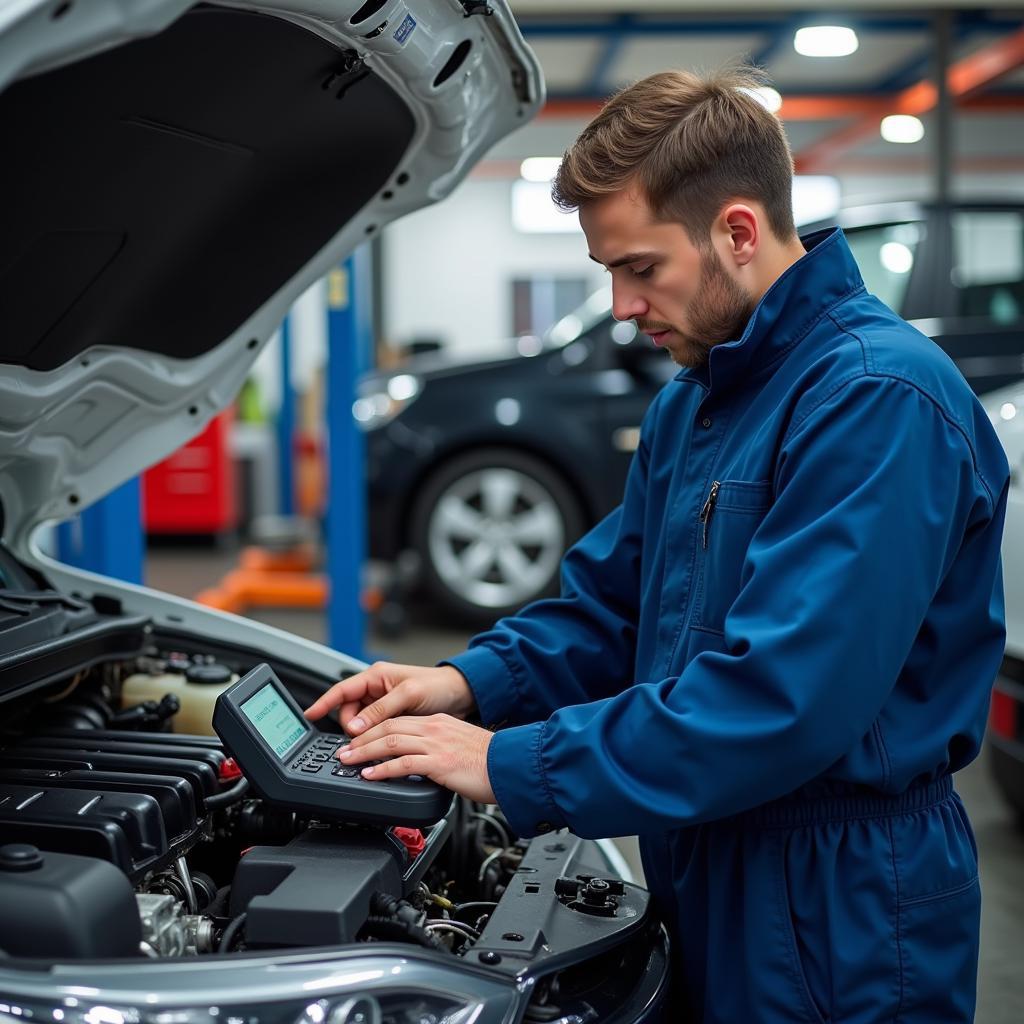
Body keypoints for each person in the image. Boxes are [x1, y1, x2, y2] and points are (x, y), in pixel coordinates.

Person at [306, 66, 1009, 1022]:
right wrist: (467, 683)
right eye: (610, 274)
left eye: (640, 268)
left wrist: (512, 764)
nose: (625, 306)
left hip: (838, 897)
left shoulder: (876, 399)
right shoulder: (696, 401)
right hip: (704, 849)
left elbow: (783, 699)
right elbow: (613, 607)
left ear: (737, 231)